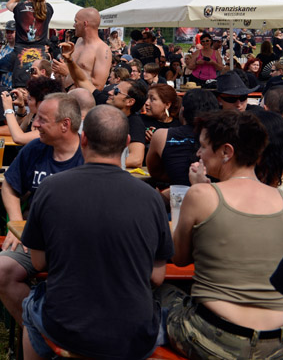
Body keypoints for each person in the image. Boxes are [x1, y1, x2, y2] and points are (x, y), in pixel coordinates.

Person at [20, 105, 173, 360]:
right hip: (134, 332)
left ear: (84, 139)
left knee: (31, 304)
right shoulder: (151, 198)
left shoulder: (50, 188)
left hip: (66, 326)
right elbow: (157, 277)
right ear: (126, 143)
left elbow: (38, 262)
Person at [160, 110, 283, 359]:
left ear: (226, 152)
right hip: (276, 341)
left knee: (158, 292)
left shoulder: (201, 196)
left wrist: (197, 191)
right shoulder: (281, 198)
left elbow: (180, 258)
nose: (198, 153)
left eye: (203, 146)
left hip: (213, 336)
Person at [0, 93, 83, 325]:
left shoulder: (88, 154)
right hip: (35, 239)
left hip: (78, 243)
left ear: (65, 125)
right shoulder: (35, 149)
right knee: (2, 268)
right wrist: (15, 223)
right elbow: (10, 185)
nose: (35, 124)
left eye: (43, 119)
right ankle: (36, 329)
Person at [146, 89, 220, 186]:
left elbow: (155, 172)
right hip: (216, 196)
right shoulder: (223, 138)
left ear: (182, 110)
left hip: (178, 195)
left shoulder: (161, 136)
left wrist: (178, 176)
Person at [5, 0, 54, 88]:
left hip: (20, 55)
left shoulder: (20, 7)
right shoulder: (48, 8)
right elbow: (41, 2)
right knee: (40, 88)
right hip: (40, 54)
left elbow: (9, 4)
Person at [105, 79, 147, 168]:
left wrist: (101, 165)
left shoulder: (134, 123)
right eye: (113, 88)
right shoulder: (110, 117)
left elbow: (136, 159)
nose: (110, 92)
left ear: (130, 102)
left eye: (116, 91)